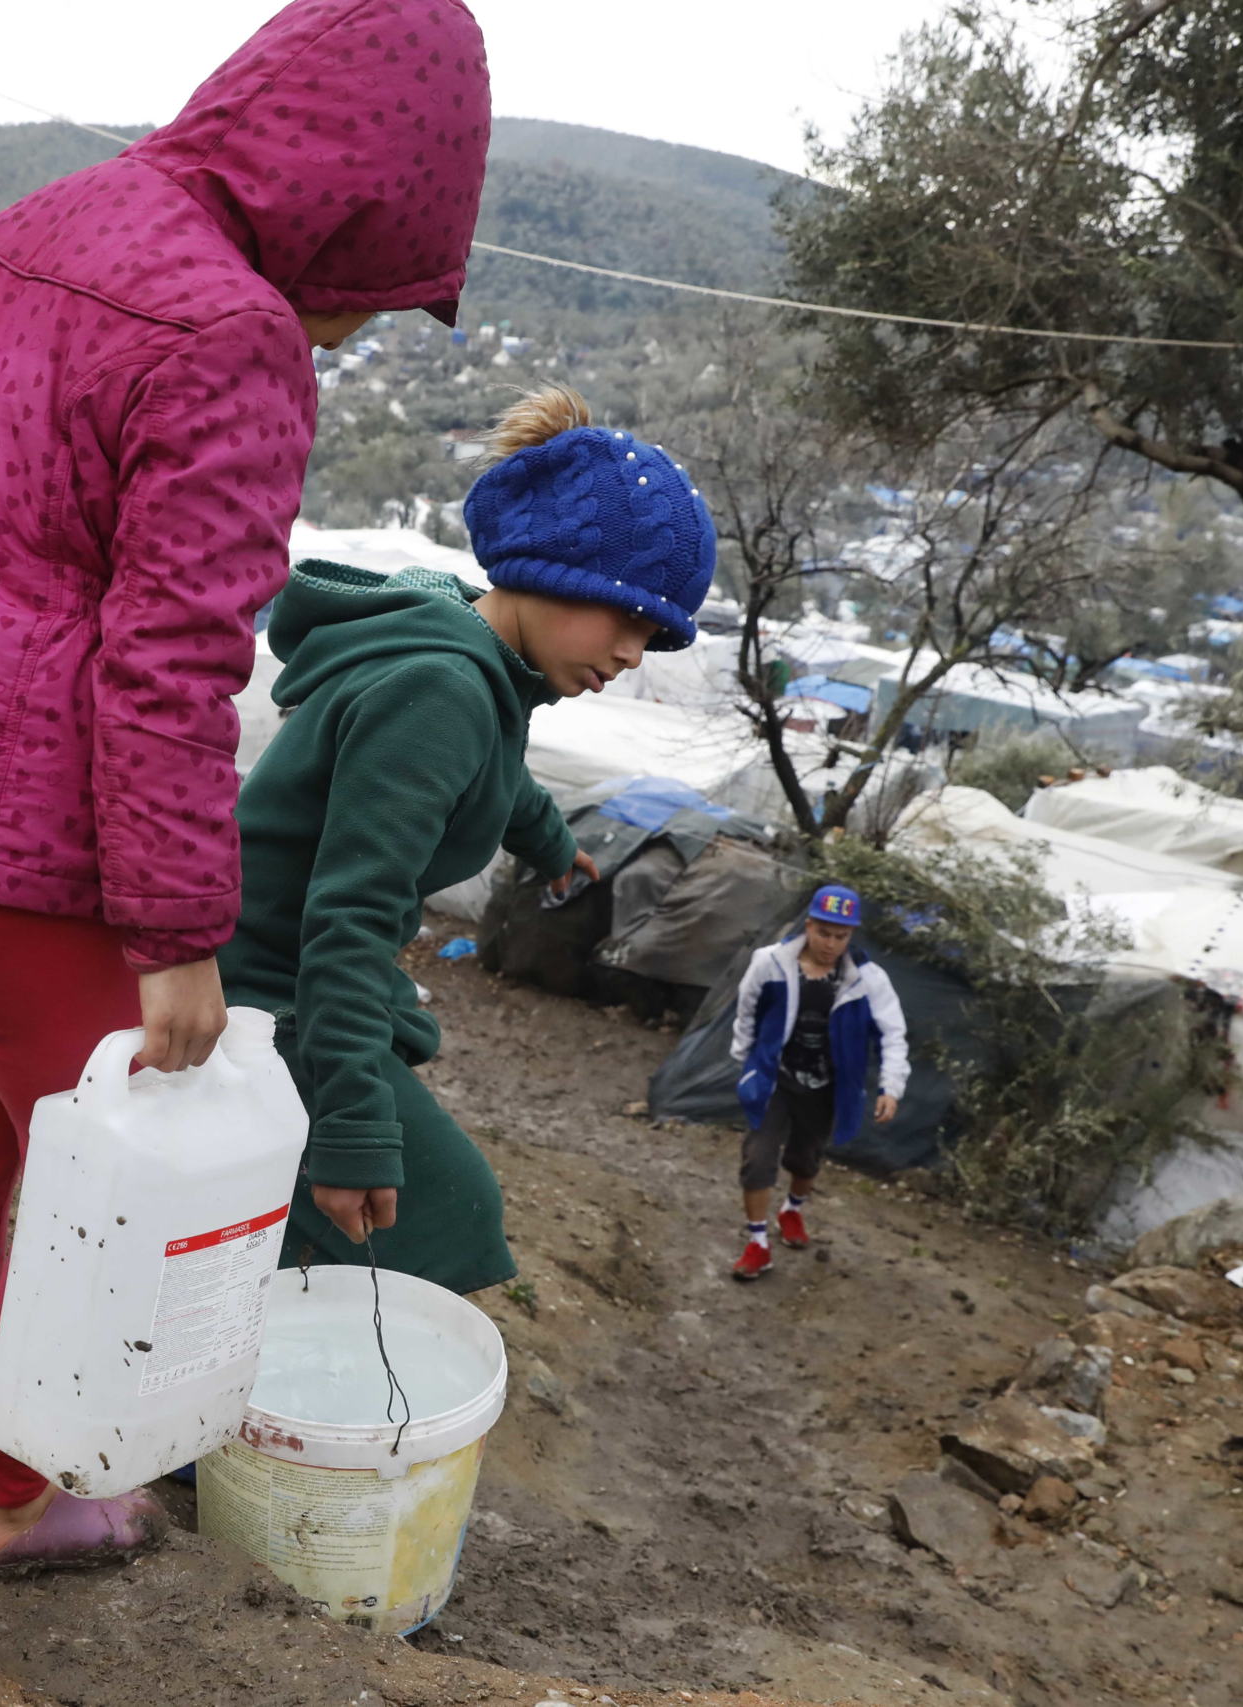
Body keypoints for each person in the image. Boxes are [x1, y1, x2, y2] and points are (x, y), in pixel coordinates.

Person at [0, 0, 494, 1579]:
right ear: (354, 202)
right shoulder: (230, 330)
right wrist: (179, 931)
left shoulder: (16, 237)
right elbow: (172, 660)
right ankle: (13, 1493)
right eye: (367, 300)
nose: (345, 335)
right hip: (18, 863)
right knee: (97, 1186)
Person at [220, 384, 716, 1291]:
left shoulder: (467, 648)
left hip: (282, 966)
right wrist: (352, 1128)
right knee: (452, 1215)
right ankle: (221, 1398)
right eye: (630, 615)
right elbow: (348, 921)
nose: (637, 652)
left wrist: (552, 841)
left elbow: (495, 773)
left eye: (658, 633)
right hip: (262, 993)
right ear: (559, 570)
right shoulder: (443, 690)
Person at [725, 884, 908, 1280]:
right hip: (776, 1079)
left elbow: (893, 1033)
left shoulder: (868, 980)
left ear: (851, 936)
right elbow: (747, 1009)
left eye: (841, 936)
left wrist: (890, 1087)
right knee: (758, 1158)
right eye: (824, 933)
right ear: (808, 926)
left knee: (805, 1159)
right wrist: (746, 1061)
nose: (831, 944)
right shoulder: (771, 963)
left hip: (827, 1086)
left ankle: (792, 1209)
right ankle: (757, 1243)